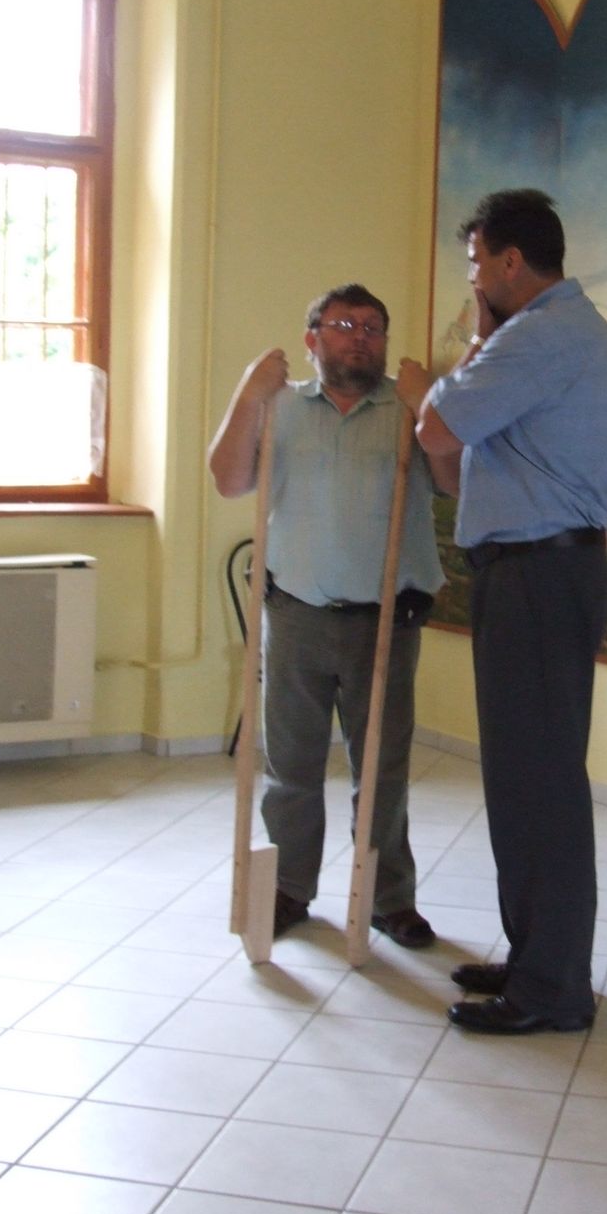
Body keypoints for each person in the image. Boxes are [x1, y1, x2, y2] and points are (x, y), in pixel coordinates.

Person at [398, 190, 607, 1034]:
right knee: (525, 777)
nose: (472, 279)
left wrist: (435, 379)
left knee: (538, 782)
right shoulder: (552, 333)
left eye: (476, 264)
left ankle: (552, 989)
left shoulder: (541, 334)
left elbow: (437, 429)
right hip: (539, 570)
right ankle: (535, 957)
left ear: (510, 262)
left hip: (540, 573)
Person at [208, 282, 448, 947]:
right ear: (312, 339)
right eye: (344, 325)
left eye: (373, 327)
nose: (360, 338)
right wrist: (247, 395)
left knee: (383, 770)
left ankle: (387, 898)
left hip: (387, 618)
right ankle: (289, 888)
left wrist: (429, 403)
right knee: (291, 766)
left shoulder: (408, 410)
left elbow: (455, 482)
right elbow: (228, 480)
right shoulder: (279, 406)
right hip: (297, 613)